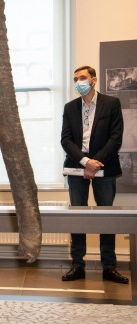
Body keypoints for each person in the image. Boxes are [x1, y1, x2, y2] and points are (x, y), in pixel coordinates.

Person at [60, 65, 127, 284]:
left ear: (94, 80)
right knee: (76, 217)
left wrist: (95, 163)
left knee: (107, 217)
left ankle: (109, 266)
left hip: (104, 166)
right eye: (75, 78)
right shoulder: (70, 107)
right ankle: (78, 265)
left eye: (82, 77)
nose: (78, 81)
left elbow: (115, 138)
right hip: (77, 165)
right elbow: (66, 140)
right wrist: (85, 162)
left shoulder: (111, 103)